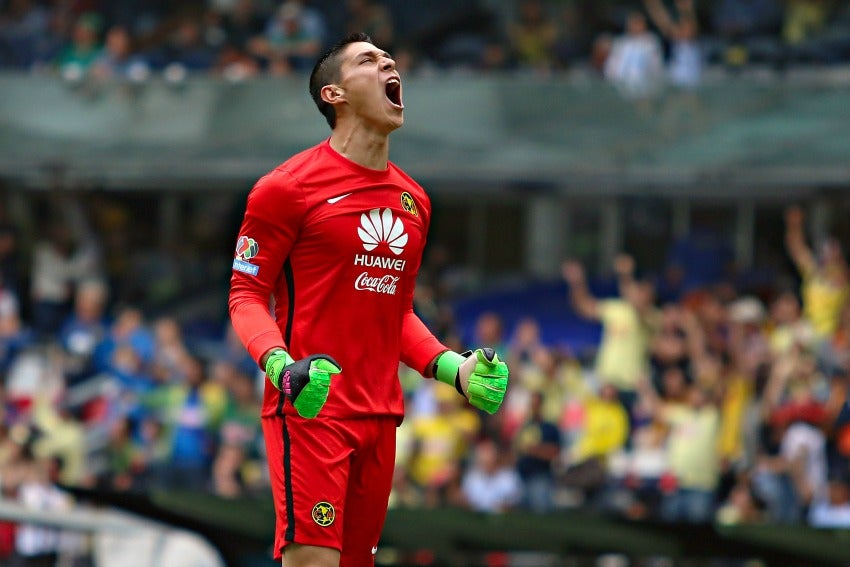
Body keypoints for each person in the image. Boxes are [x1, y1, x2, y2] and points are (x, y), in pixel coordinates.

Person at [227, 32, 509, 567]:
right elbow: (245, 294)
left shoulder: (414, 201)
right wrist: (282, 367)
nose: (388, 63)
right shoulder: (285, 189)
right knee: (312, 561)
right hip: (313, 408)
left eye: (388, 58)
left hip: (381, 416)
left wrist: (455, 369)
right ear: (334, 95)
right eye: (368, 60)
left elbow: (395, 313)